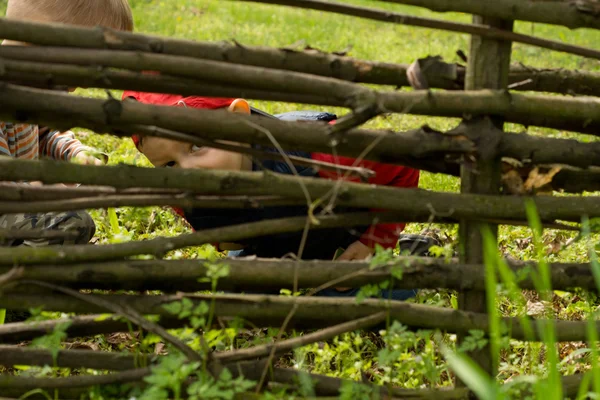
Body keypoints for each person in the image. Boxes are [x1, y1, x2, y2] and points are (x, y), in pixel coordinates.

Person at [122, 90, 438, 300]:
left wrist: (374, 241)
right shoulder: (180, 193)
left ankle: (416, 254)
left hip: (341, 242)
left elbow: (399, 161)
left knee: (379, 298)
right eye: (170, 164)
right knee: (239, 295)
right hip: (278, 244)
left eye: (195, 146)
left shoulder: (318, 156)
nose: (187, 171)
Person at [0, 0, 134, 249]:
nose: (76, 87)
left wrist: (76, 154)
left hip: (18, 202)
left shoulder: (30, 89)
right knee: (76, 222)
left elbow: (43, 133)